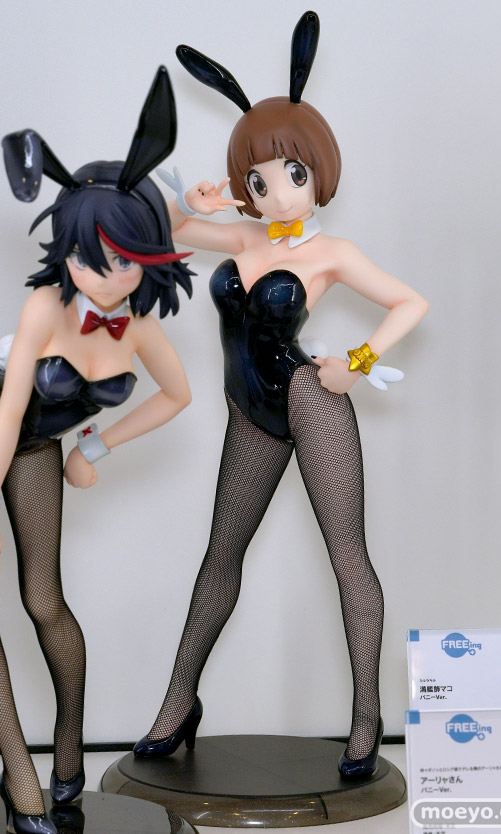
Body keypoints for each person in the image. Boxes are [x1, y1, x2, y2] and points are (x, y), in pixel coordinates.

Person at [133, 12, 428, 778]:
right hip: (250, 410)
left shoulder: (332, 252)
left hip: (309, 399)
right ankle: (178, 703)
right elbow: (161, 231)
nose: (276, 192)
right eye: (258, 181)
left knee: (347, 558)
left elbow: (411, 303)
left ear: (318, 169)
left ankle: (366, 720)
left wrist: (357, 360)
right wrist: (200, 203)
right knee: (220, 557)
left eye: (292, 174)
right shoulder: (244, 237)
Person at [0, 66, 193, 832]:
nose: (101, 276)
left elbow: (176, 396)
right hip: (2, 428)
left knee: (43, 601)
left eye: (120, 259)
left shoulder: (138, 328)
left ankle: (69, 756)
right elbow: (11, 402)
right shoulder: (44, 307)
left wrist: (95, 449)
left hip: (35, 449)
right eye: (85, 258)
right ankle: (21, 784)